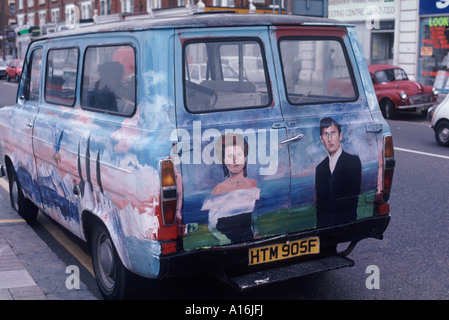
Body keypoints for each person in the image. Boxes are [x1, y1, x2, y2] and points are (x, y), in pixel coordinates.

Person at [201, 133, 260, 244]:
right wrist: (223, 239)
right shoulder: (218, 190)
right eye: (229, 156)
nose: (234, 160)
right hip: (228, 245)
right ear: (223, 160)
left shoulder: (253, 185)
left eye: (238, 154)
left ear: (245, 156)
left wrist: (256, 232)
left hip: (250, 240)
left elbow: (254, 218)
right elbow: (212, 226)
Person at [315, 118, 361, 228]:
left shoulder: (353, 161)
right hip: (324, 225)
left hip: (345, 220)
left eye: (333, 133)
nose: (330, 139)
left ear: (340, 136)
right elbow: (320, 203)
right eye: (325, 134)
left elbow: (354, 196)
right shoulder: (320, 168)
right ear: (322, 139)